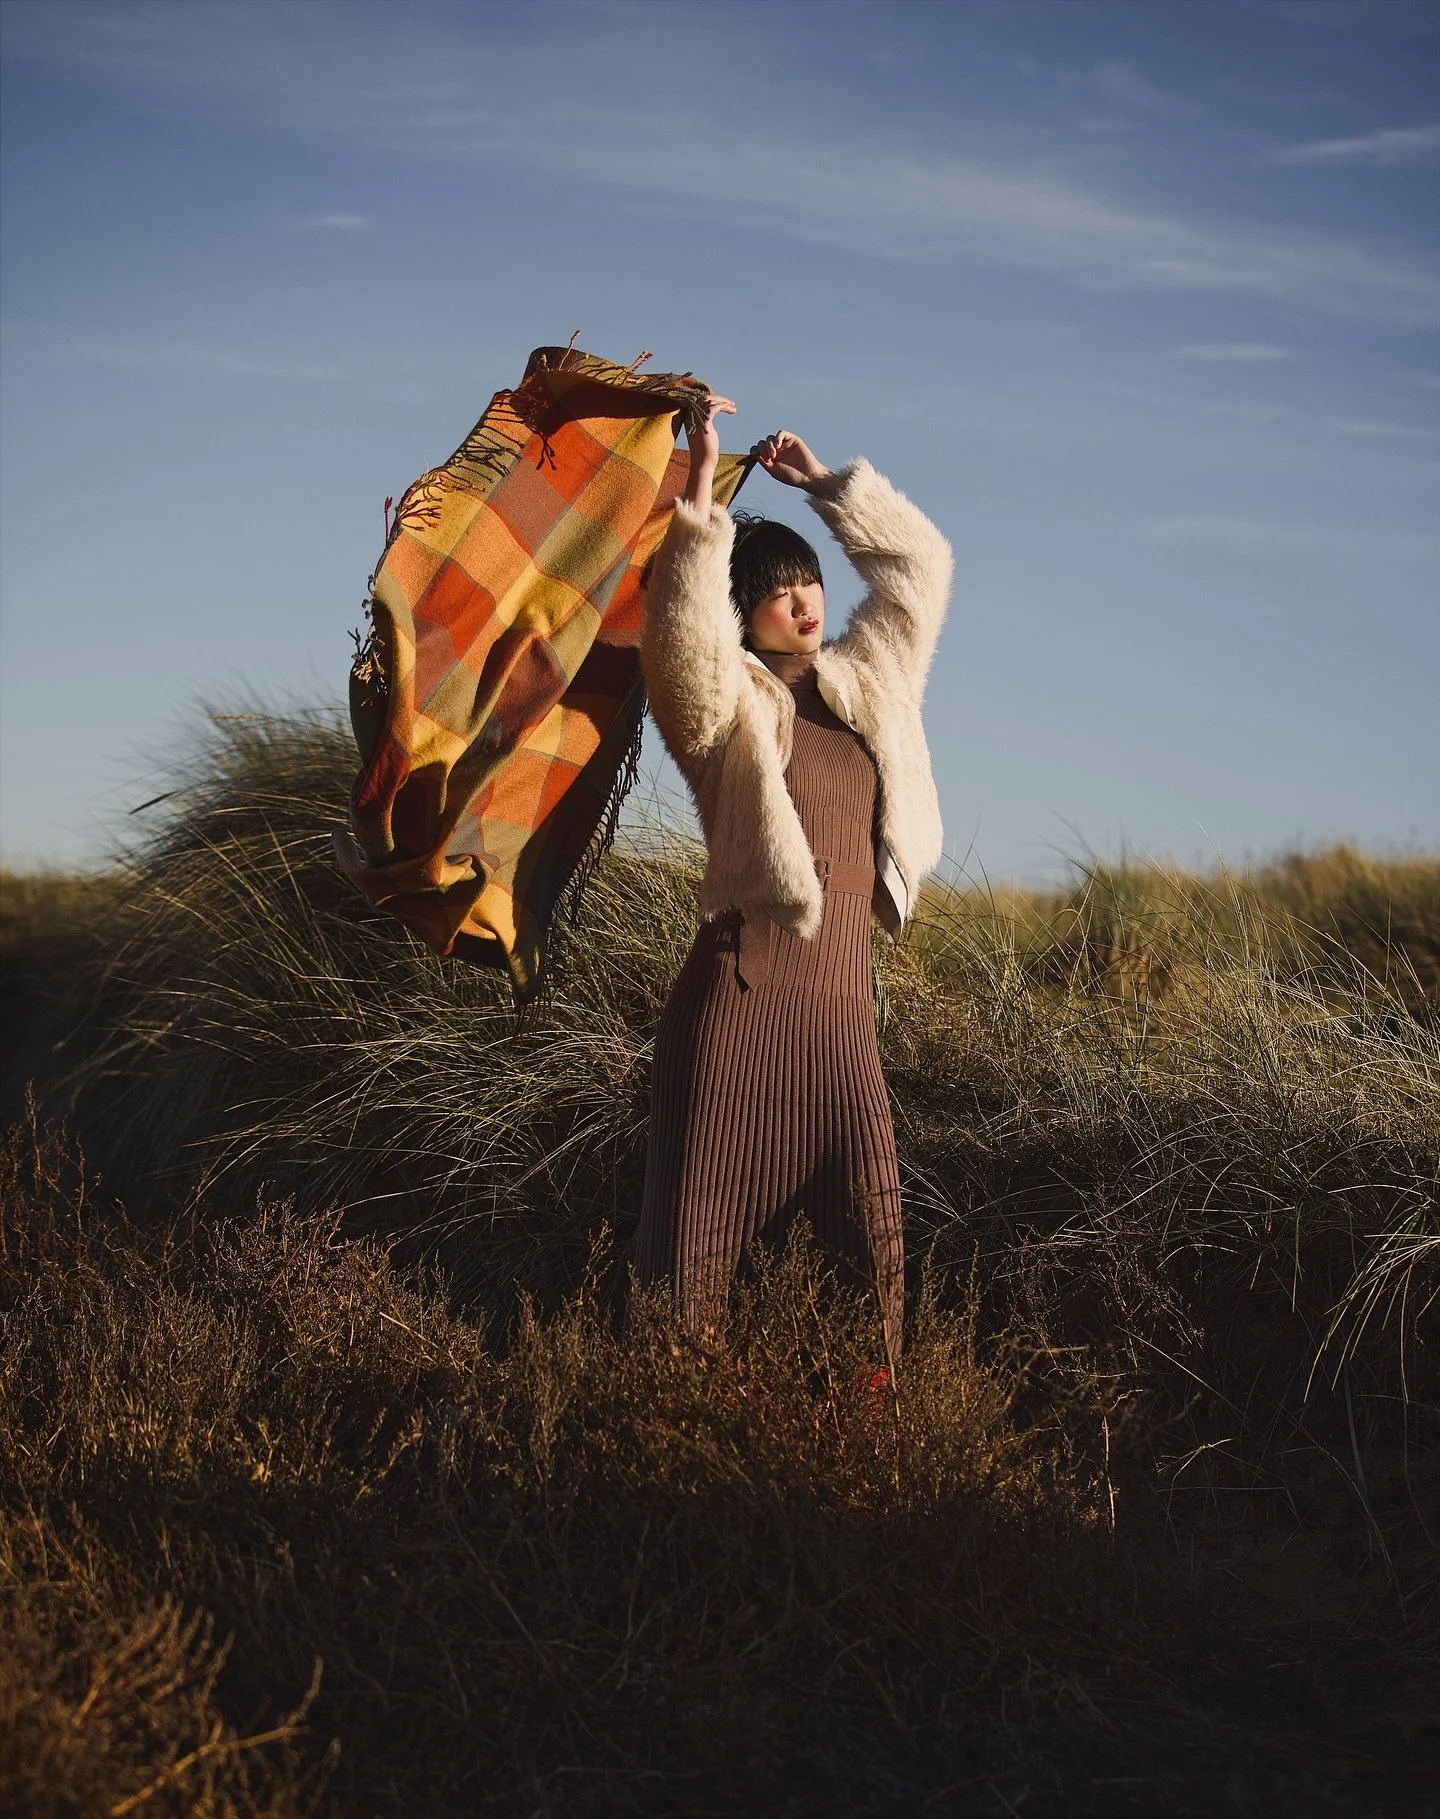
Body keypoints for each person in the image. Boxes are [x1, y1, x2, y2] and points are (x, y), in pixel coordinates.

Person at [633, 395, 953, 1361]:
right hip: (739, 1007)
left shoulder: (871, 684)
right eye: (778, 592)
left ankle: (863, 1458)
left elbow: (922, 572)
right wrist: (700, 492)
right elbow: (680, 645)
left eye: (809, 582)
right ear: (743, 609)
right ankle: (656, 1439)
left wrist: (825, 489)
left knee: (873, 1247)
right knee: (695, 1259)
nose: (806, 601)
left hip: (842, 1016)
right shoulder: (732, 710)